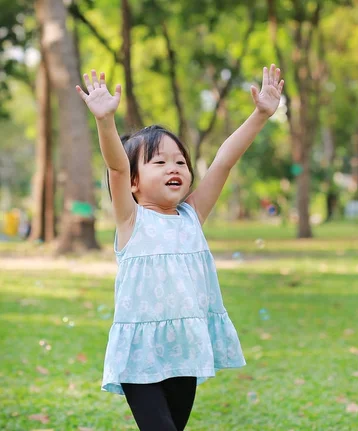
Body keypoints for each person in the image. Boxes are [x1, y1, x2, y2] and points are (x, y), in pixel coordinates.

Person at [76, 65, 284, 431]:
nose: (175, 168)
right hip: (140, 355)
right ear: (136, 182)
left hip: (185, 349)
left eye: (180, 162)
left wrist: (260, 115)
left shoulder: (191, 216)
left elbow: (224, 161)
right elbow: (116, 168)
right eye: (160, 162)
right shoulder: (131, 220)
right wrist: (105, 122)